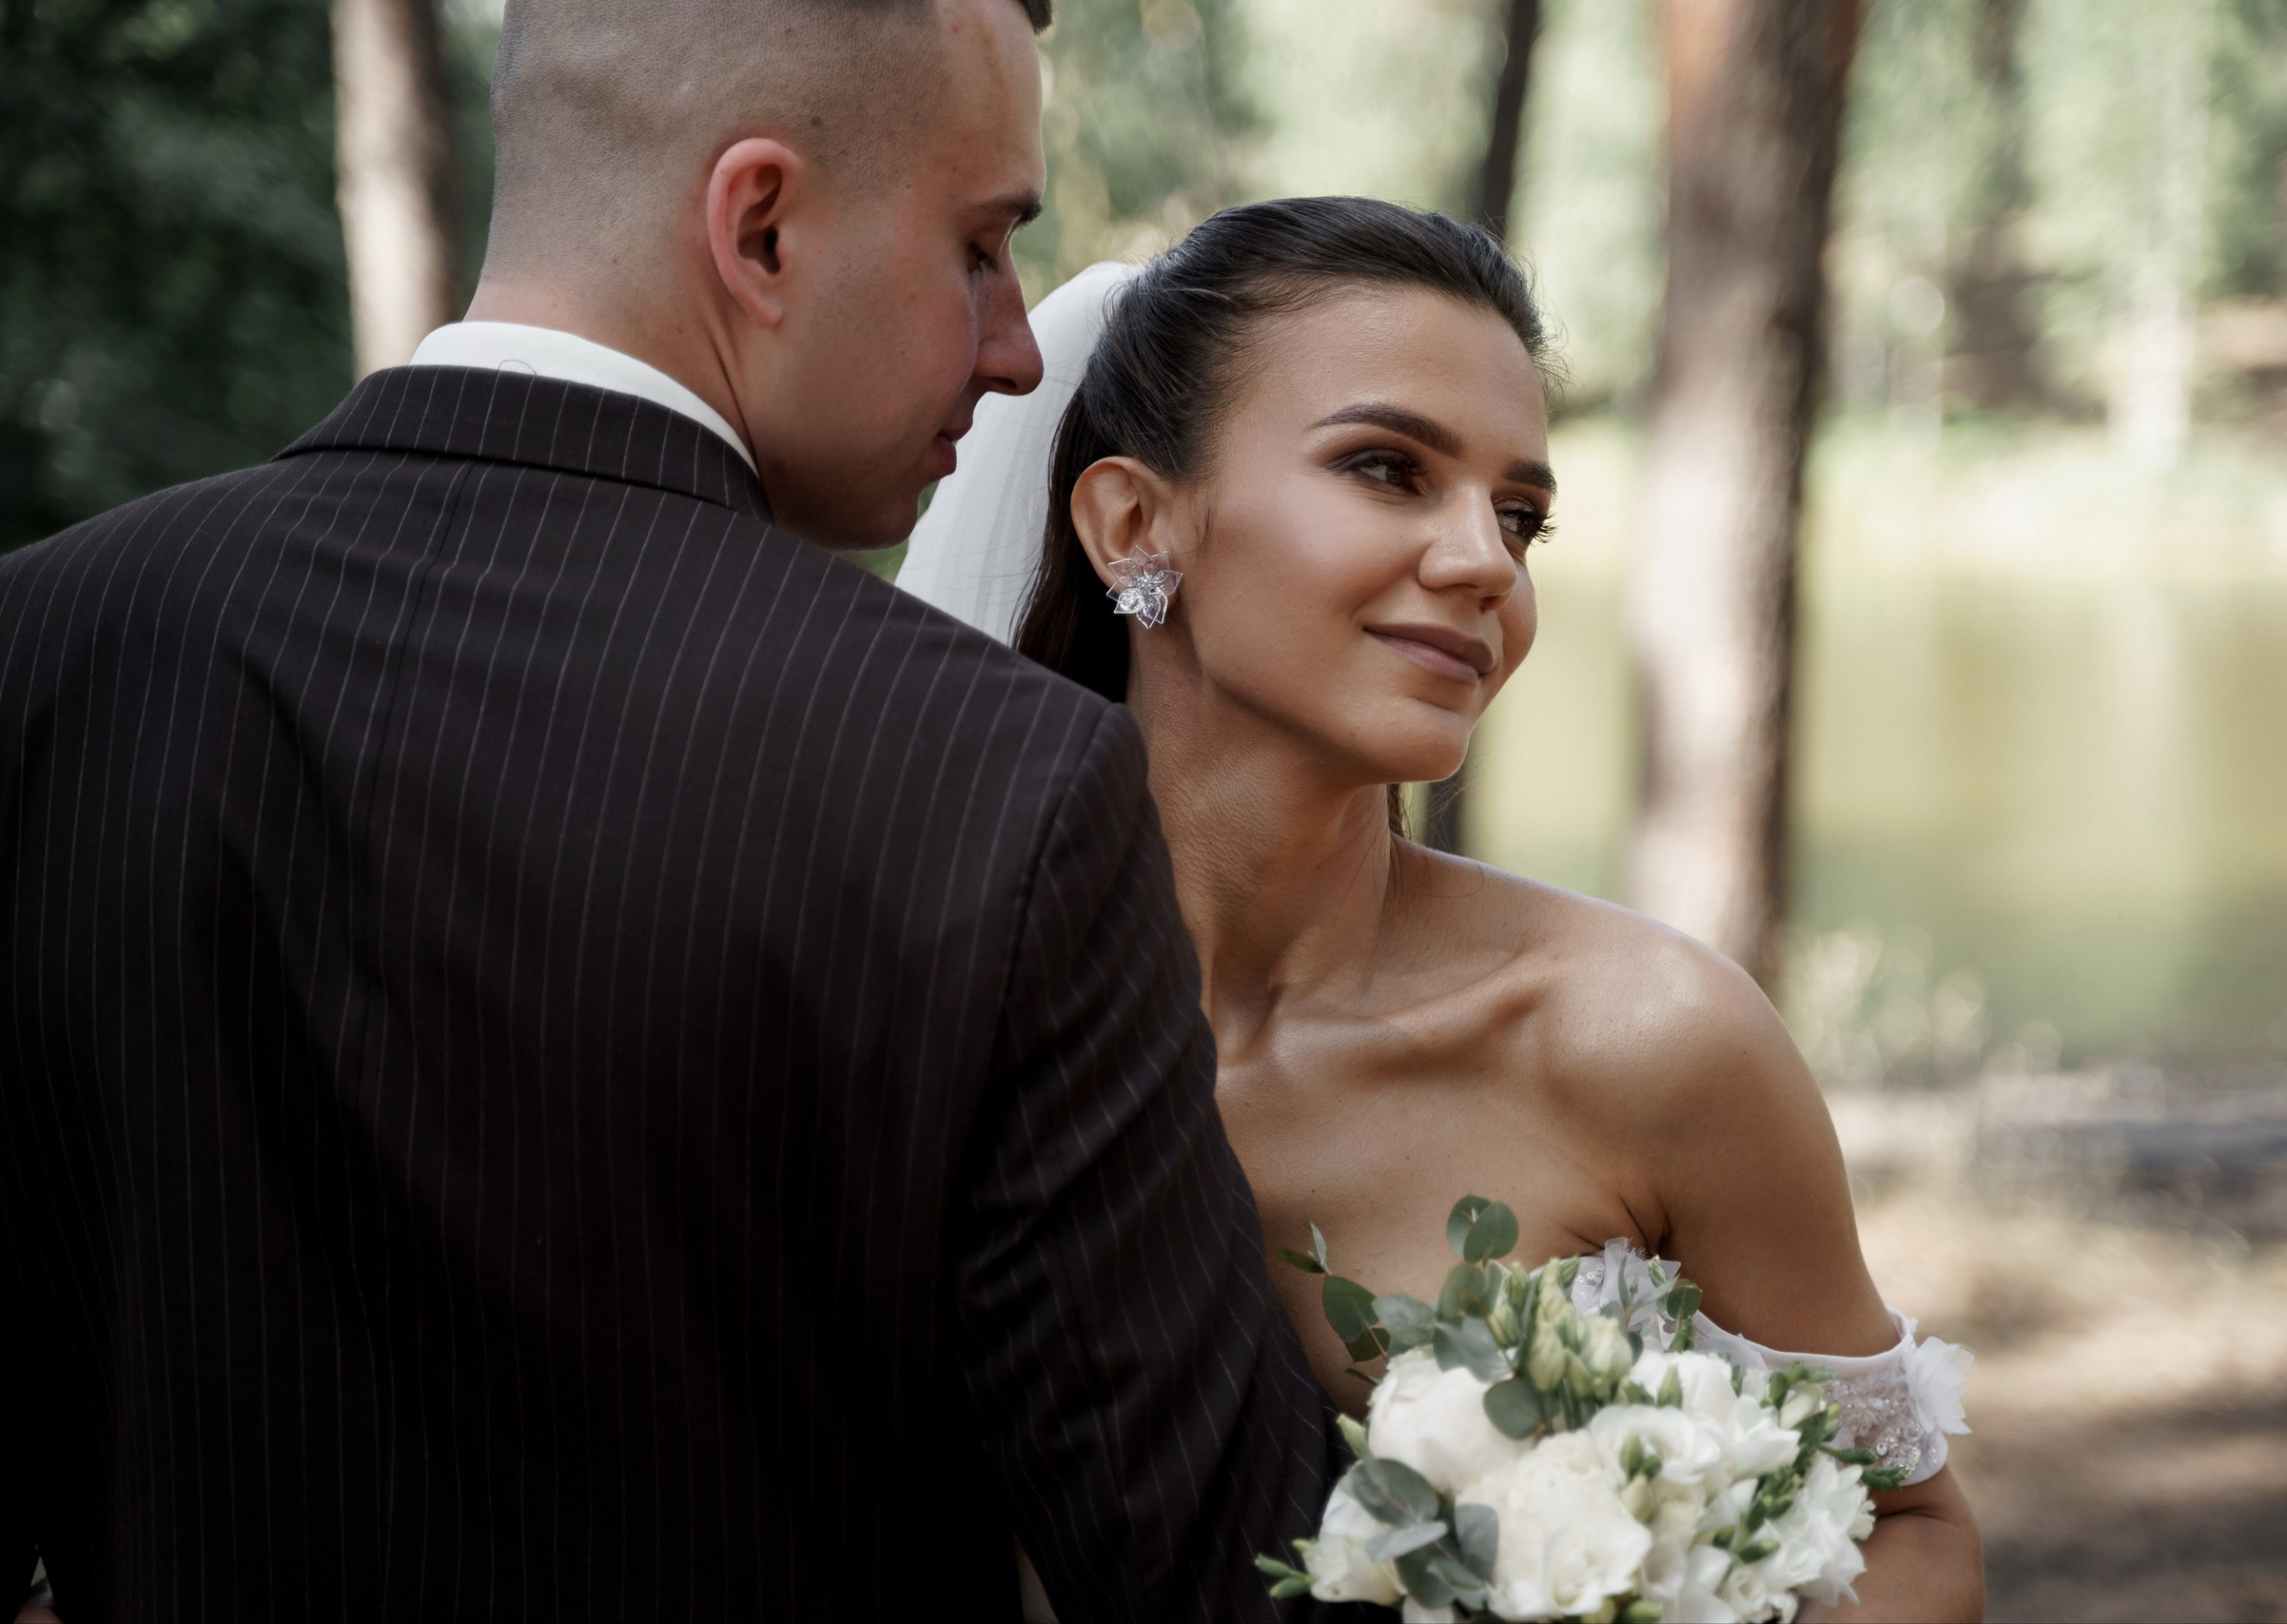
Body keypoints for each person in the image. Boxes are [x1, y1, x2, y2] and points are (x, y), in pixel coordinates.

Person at [0, 3, 1355, 1618]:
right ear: (760, 227)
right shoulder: (996, 781)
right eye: (982, 247)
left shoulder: (41, 650)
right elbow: (1223, 1569)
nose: (1015, 348)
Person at [901, 198, 1987, 1620]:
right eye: (1387, 468)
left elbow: (1917, 1538)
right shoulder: (923, 1025)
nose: (1487, 561)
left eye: (1521, 515)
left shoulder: (1649, 1040)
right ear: (1131, 521)